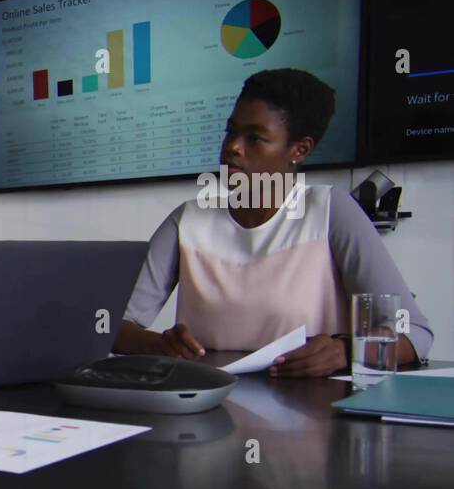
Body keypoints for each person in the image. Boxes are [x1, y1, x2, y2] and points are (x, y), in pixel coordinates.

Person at [114, 68, 432, 376]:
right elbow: (112, 326)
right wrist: (159, 344)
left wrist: (346, 352)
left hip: (311, 411)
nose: (232, 147)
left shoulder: (332, 211)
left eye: (255, 138)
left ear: (299, 149)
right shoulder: (187, 220)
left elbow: (415, 335)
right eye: (231, 131)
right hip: (207, 406)